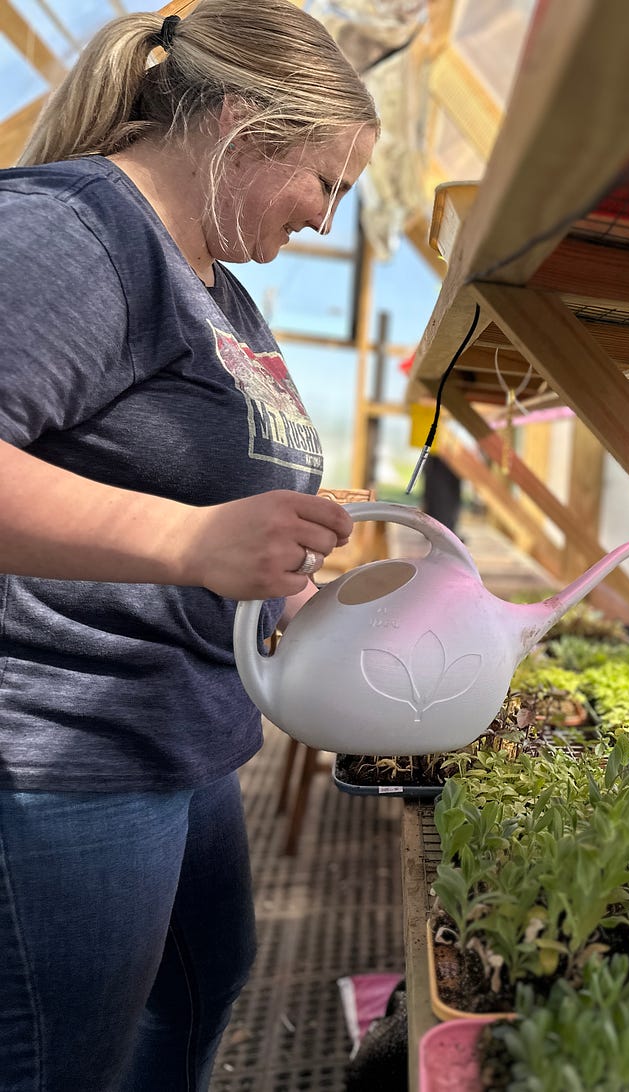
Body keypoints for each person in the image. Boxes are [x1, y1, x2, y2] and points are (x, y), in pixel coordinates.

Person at [0, 3, 378, 1089]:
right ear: (239, 122)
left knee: (206, 986)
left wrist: (289, 594)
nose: (324, 220)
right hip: (67, 753)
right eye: (326, 182)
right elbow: (188, 525)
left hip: (183, 738)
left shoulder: (223, 293)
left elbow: (213, 500)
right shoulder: (72, 231)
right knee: (56, 1057)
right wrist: (193, 542)